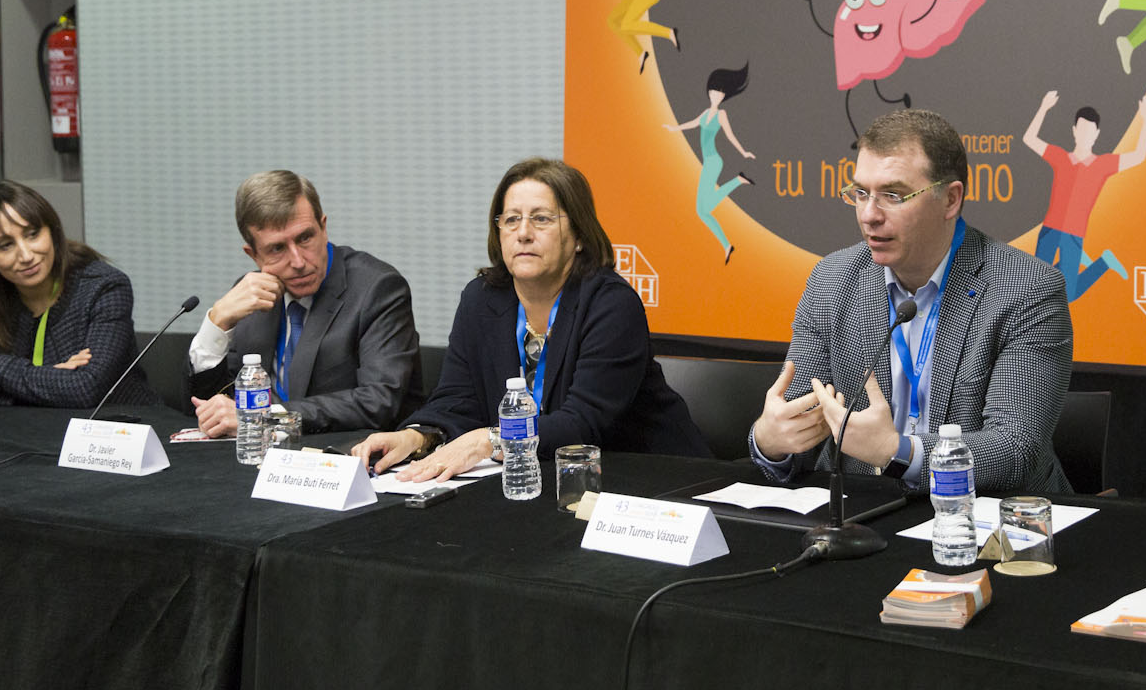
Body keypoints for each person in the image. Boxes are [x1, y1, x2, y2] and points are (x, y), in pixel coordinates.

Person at [748, 110, 1073, 494]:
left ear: (950, 199)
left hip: (984, 515)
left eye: (893, 195)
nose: (869, 215)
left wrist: (898, 452)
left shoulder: (1026, 288)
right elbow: (799, 423)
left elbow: (1015, 448)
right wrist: (769, 441)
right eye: (860, 193)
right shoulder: (832, 280)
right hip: (863, 509)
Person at [354, 158, 708, 479]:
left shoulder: (611, 304)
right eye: (511, 220)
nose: (523, 233)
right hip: (540, 479)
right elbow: (457, 399)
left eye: (541, 219)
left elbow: (583, 424)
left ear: (579, 236)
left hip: (652, 479)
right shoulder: (481, 300)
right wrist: (417, 437)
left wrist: (490, 440)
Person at [187, 170, 422, 436]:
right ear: (253, 255)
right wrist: (217, 323)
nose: (298, 262)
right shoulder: (251, 296)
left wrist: (265, 417)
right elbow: (215, 408)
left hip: (350, 452)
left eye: (305, 238)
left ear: (323, 227)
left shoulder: (376, 288)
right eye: (277, 248)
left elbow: (378, 402)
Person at [0, 181, 156, 409]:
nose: (26, 255)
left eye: (33, 235)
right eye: (6, 245)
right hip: (24, 432)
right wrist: (43, 384)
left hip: (119, 429)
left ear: (52, 231)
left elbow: (84, 388)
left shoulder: (104, 287)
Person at [1024, 90, 1146, 302]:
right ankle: (1077, 263)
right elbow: (1029, 138)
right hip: (1050, 230)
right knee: (1038, 285)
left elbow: (1139, 156)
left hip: (1074, 235)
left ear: (1096, 134)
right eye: (1081, 130)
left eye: (1090, 131)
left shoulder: (1103, 165)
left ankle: (1104, 262)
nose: (1085, 135)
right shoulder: (1060, 158)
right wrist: (1044, 108)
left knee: (1069, 294)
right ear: (1074, 131)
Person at [660, 62, 754, 263]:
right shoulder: (705, 113)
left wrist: (743, 152)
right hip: (709, 162)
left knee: (702, 210)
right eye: (713, 92)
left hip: (713, 162)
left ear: (723, 96)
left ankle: (737, 182)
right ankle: (727, 244)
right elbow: (692, 124)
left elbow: (730, 135)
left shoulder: (721, 114)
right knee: (703, 210)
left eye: (719, 93)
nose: (715, 95)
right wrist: (673, 128)